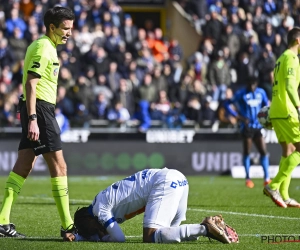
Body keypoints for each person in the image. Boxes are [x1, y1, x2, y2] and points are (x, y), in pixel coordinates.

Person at [0, 7, 77, 238]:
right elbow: (31, 84)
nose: (69, 33)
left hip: (35, 109)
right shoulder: (44, 48)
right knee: (60, 167)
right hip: (40, 111)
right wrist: (33, 118)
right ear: (51, 27)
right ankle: (68, 226)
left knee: (24, 165)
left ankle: (3, 221)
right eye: (65, 28)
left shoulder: (46, 47)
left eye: (71, 29)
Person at [65, 168, 237, 244]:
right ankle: (211, 226)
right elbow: (101, 232)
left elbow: (119, 238)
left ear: (88, 219)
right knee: (167, 235)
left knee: (150, 237)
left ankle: (205, 228)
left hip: (163, 182)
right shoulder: (97, 207)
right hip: (178, 178)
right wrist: (79, 237)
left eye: (90, 229)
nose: (96, 231)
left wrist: (88, 236)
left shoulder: (99, 210)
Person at [263, 27, 300, 208]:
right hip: (287, 110)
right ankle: (274, 186)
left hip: (276, 109)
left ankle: (284, 195)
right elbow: (291, 86)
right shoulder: (292, 58)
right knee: (299, 150)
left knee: (289, 151)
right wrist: (299, 106)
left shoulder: (281, 58)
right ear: (298, 41)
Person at [225, 76, 271, 188]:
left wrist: (267, 117)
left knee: (263, 151)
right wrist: (238, 117)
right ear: (247, 84)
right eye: (250, 84)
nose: (252, 86)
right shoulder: (241, 93)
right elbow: (227, 104)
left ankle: (267, 178)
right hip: (247, 127)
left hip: (258, 126)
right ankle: (248, 179)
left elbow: (267, 105)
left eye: (254, 84)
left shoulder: (261, 92)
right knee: (247, 152)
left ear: (257, 84)